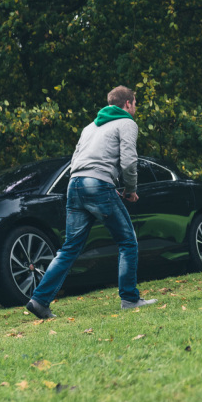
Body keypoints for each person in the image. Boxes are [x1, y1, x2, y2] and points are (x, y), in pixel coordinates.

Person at [25, 85, 157, 319]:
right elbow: (128, 161)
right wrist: (130, 189)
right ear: (127, 104)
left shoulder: (90, 127)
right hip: (97, 185)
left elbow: (77, 159)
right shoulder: (126, 123)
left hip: (75, 184)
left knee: (69, 248)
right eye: (135, 103)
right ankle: (130, 298)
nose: (135, 108)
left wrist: (106, 185)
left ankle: (39, 300)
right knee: (128, 240)